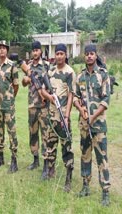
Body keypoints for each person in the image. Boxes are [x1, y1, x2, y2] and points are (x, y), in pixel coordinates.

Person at [73, 44, 111, 206]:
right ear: (84, 56)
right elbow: (74, 96)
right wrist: (81, 109)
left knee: (101, 157)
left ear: (96, 56)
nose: (89, 56)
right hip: (84, 124)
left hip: (98, 125)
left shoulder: (103, 75)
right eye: (87, 54)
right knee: (85, 155)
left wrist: (93, 116)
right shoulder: (80, 76)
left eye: (92, 54)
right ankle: (86, 185)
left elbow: (105, 100)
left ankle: (105, 191)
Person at [40, 44, 75, 191]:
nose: (59, 56)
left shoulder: (69, 72)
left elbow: (71, 95)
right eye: (57, 53)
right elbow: (42, 90)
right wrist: (50, 97)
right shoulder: (51, 71)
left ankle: (68, 178)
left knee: (66, 148)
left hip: (62, 118)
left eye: (62, 53)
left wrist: (66, 116)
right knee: (50, 147)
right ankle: (50, 171)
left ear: (65, 55)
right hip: (51, 117)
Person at [22, 41, 50, 179]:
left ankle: (46, 164)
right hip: (32, 106)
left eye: (37, 50)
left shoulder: (47, 66)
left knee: (45, 135)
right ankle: (35, 160)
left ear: (41, 51)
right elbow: (22, 83)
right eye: (33, 50)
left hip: (44, 107)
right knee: (33, 134)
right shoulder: (28, 66)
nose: (35, 53)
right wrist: (26, 79)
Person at [0, 40, 19, 173]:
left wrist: (10, 99)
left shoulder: (12, 66)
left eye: (4, 48)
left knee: (11, 132)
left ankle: (14, 160)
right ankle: (0, 157)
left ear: (7, 50)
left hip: (8, 106)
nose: (2, 50)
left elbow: (16, 85)